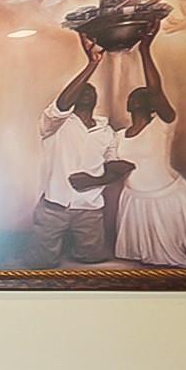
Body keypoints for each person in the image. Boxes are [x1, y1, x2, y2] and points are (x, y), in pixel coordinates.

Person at [76, 21, 186, 268]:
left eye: (146, 95)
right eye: (135, 95)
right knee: (143, 262)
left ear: (153, 104)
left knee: (180, 255)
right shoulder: (118, 136)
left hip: (167, 198)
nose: (141, 95)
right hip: (135, 200)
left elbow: (156, 89)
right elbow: (114, 166)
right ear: (129, 104)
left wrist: (145, 49)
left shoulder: (162, 125)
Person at [31, 32, 119, 267]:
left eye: (91, 90)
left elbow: (113, 167)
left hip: (90, 210)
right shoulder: (54, 124)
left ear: (97, 98)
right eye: (81, 90)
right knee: (41, 266)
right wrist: (92, 64)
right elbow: (61, 105)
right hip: (54, 207)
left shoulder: (106, 130)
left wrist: (92, 180)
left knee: (91, 263)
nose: (87, 92)